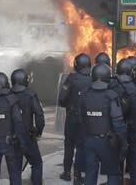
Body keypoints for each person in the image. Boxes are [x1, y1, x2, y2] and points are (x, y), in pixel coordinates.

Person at [79, 63, 127, 185]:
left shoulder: (84, 95)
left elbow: (81, 119)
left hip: (89, 140)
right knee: (113, 173)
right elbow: (118, 123)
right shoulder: (111, 96)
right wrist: (123, 143)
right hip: (107, 142)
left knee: (90, 173)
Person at [0, 72, 25, 185]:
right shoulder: (12, 99)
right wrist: (20, 140)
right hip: (9, 142)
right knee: (14, 171)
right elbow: (18, 121)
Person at [57, 53, 92, 183]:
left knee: (69, 145)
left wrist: (68, 105)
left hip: (72, 117)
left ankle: (66, 172)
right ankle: (78, 174)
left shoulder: (71, 79)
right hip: (86, 120)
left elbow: (61, 99)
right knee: (82, 146)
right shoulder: (92, 80)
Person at [11, 68, 45, 185]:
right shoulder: (30, 94)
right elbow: (39, 114)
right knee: (36, 163)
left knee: (15, 169)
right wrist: (38, 131)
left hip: (13, 137)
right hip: (27, 136)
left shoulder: (8, 94)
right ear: (25, 80)